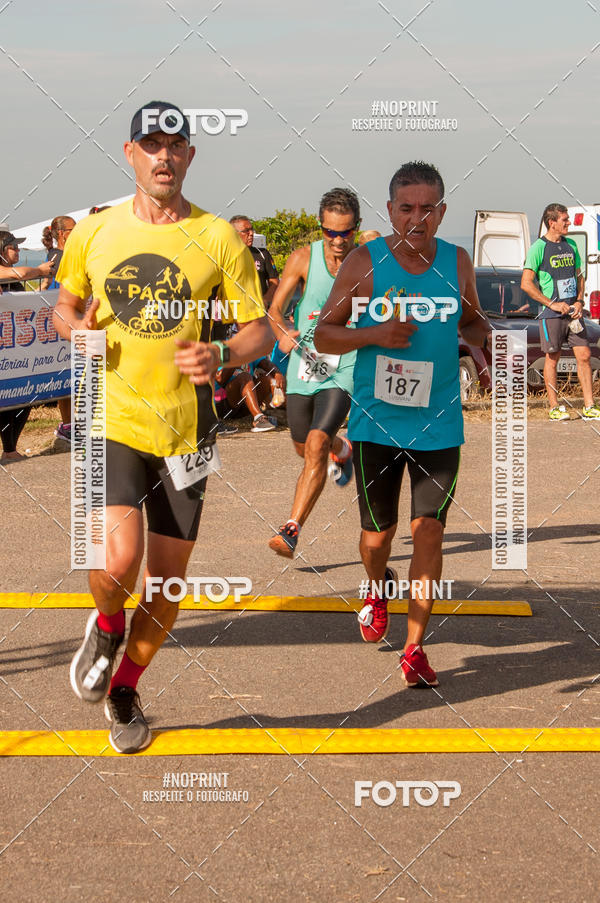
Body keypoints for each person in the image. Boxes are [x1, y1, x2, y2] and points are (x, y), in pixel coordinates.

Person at [53, 100, 273, 753]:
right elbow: (63, 307)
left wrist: (223, 352)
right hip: (110, 418)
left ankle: (125, 688)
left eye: (175, 145)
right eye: (151, 145)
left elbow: (259, 330)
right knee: (117, 560)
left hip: (188, 430)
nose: (164, 156)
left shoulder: (218, 237)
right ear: (130, 154)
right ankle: (106, 624)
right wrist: (76, 330)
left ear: (190, 156)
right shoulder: (94, 233)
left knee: (168, 579)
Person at [314, 161, 492, 688]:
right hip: (378, 424)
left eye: (427, 209)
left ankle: (415, 648)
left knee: (429, 531)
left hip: (439, 424)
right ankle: (376, 587)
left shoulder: (457, 261)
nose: (417, 218)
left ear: (442, 211)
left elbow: (473, 321)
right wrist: (373, 335)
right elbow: (323, 334)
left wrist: (485, 334)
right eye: (407, 208)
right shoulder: (365, 262)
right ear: (391, 211)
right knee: (377, 539)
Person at [267, 188, 360, 558]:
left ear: (356, 228)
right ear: (321, 228)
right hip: (305, 362)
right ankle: (343, 448)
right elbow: (275, 309)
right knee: (303, 446)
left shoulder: (368, 263)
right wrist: (282, 333)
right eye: (330, 232)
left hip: (347, 363)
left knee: (316, 444)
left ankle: (291, 529)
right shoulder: (303, 258)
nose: (337, 241)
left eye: (345, 233)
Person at [521, 204, 600, 420]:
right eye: (564, 219)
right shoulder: (538, 248)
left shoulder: (571, 244)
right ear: (552, 222)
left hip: (573, 312)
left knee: (584, 355)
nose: (569, 223)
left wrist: (580, 301)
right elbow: (526, 283)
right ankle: (554, 407)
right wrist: (552, 304)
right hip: (551, 315)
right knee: (553, 357)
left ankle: (589, 405)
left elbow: (579, 276)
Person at [0, 231, 55, 462]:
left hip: (15, 347)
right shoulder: (7, 273)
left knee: (25, 395)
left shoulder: (12, 276)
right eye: (13, 247)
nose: (18, 250)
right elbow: (21, 273)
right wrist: (40, 270)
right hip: (5, 348)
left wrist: (45, 285)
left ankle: (10, 450)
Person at [41, 216, 76, 443]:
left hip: (68, 318)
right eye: (74, 229)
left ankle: (71, 424)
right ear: (62, 233)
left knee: (71, 373)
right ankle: (68, 425)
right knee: (66, 372)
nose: (77, 232)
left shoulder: (61, 254)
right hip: (62, 320)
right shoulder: (59, 256)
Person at [230, 215, 279, 307]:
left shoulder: (262, 254)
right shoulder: (224, 255)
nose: (251, 233)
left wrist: (266, 299)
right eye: (246, 231)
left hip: (258, 310)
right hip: (233, 308)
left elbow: (274, 281)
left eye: (252, 229)